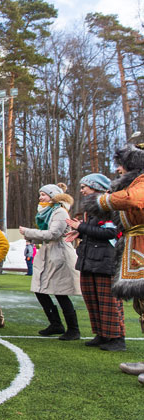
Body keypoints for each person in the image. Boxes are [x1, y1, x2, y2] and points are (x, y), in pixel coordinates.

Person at [86, 135, 144, 381]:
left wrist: (101, 201)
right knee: (141, 306)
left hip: (141, 243)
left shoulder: (141, 182)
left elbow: (134, 199)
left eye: (122, 165)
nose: (118, 170)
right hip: (136, 244)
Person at [64, 173, 125, 351]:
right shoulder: (92, 209)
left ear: (97, 188)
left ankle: (117, 338)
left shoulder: (111, 206)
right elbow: (96, 231)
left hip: (106, 261)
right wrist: (81, 232)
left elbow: (112, 233)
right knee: (93, 299)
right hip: (90, 259)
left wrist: (81, 227)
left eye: (85, 187)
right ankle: (102, 334)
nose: (82, 190)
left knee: (109, 302)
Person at [19, 183, 81, 340]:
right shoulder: (47, 212)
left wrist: (29, 232)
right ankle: (56, 324)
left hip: (59, 255)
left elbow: (53, 234)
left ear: (53, 196)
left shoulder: (60, 212)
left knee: (60, 293)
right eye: (40, 194)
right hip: (48, 254)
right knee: (40, 290)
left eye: (44, 194)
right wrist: (30, 235)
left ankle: (73, 329)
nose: (40, 197)